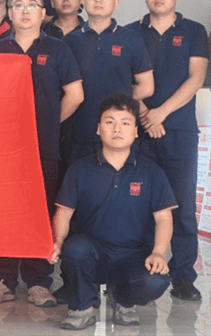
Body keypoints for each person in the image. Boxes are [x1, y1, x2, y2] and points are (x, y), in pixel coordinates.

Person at [0, 0, 83, 308]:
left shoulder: (58, 49)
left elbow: (75, 94)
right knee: (3, 212)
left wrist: (49, 124)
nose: (25, 10)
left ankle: (38, 282)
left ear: (43, 12)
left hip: (44, 148)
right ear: (9, 13)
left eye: (32, 5)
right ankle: (2, 279)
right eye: (18, 5)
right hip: (4, 150)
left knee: (40, 212)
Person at [50, 93, 176, 330]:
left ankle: (124, 301)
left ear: (136, 131)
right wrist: (57, 242)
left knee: (155, 281)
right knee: (74, 248)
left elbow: (164, 218)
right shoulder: (79, 169)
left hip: (134, 255)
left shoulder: (151, 172)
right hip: (93, 253)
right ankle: (83, 307)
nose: (117, 129)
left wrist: (159, 253)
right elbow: (64, 212)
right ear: (99, 129)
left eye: (125, 123)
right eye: (110, 122)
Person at [126, 0, 209, 301]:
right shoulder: (131, 32)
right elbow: (124, 79)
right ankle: (138, 272)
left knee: (182, 206)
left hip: (179, 131)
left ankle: (184, 276)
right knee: (138, 204)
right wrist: (147, 116)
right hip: (138, 132)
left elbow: (196, 78)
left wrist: (161, 113)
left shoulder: (194, 31)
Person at [64, 0, 154, 163]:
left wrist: (115, 99)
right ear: (82, 0)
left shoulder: (131, 39)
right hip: (79, 133)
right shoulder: (69, 42)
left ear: (116, 3)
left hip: (119, 134)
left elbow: (146, 87)